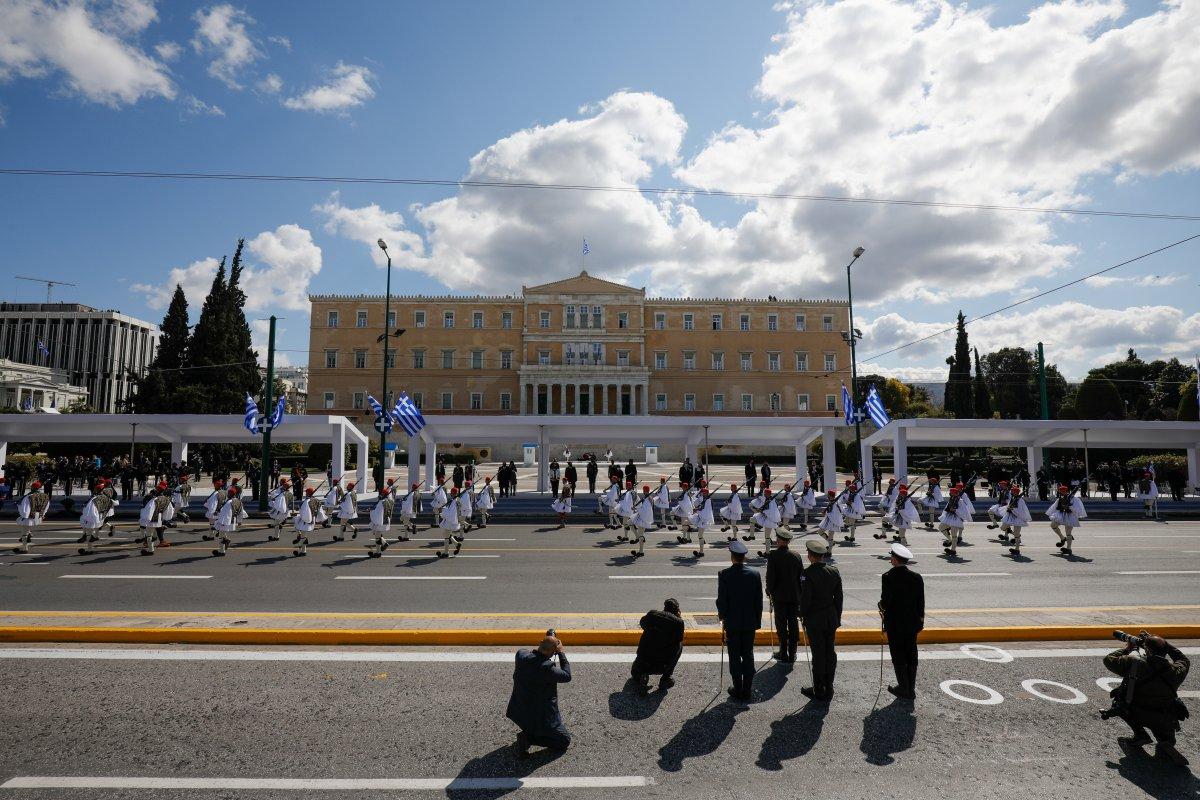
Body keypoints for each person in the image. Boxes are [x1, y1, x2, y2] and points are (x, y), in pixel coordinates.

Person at [1104, 633, 1190, 766]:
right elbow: (1183, 659)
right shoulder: (1175, 671)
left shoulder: (1135, 664)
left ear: (1147, 650)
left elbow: (1109, 659)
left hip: (1137, 711)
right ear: (1165, 651)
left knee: (1119, 699)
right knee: (1166, 732)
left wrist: (1129, 648)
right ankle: (1165, 741)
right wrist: (1166, 645)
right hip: (1164, 717)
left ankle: (1140, 734)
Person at [507, 633, 572, 758]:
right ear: (553, 653)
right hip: (540, 717)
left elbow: (532, 654)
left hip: (519, 711)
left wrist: (548, 642)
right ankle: (528, 738)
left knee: (535, 726)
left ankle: (531, 732)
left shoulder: (520, 655)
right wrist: (561, 653)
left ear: (540, 643)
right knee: (564, 740)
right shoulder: (546, 668)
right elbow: (567, 675)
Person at [716, 539, 763, 702]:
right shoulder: (754, 575)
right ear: (744, 557)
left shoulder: (724, 575)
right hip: (749, 622)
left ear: (732, 557)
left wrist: (722, 616)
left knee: (734, 655)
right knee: (748, 654)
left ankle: (737, 687)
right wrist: (757, 621)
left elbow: (722, 600)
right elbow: (758, 601)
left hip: (732, 622)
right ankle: (747, 689)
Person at [879, 543, 924, 700]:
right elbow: (921, 602)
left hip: (895, 624)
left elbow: (886, 602)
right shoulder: (917, 577)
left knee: (898, 654)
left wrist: (881, 606)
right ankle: (910, 688)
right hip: (912, 623)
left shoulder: (888, 577)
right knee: (911, 653)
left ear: (895, 559)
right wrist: (920, 621)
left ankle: (903, 687)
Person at [799, 538, 843, 701]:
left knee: (818, 654)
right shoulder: (834, 571)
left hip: (815, 619)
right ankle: (829, 685)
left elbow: (806, 599)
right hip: (830, 618)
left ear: (810, 556)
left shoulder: (808, 573)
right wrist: (837, 617)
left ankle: (819, 688)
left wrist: (801, 614)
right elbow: (839, 598)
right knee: (829, 652)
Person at [630, 599, 685, 695]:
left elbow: (642, 624)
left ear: (664, 607)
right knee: (680, 646)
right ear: (677, 610)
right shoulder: (679, 623)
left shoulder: (653, 614)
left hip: (643, 661)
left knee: (635, 675)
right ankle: (665, 679)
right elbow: (678, 639)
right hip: (662, 665)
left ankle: (642, 675)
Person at [765, 529, 804, 664]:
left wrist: (769, 590)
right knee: (793, 623)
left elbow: (770, 578)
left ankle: (783, 652)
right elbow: (801, 578)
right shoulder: (796, 556)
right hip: (794, 597)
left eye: (778, 539)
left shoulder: (773, 556)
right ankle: (792, 653)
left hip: (780, 597)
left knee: (781, 624)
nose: (776, 540)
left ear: (781, 541)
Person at [212, 487, 246, 557]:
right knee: (222, 534)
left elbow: (224, 513)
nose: (228, 494)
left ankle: (222, 551)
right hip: (232, 521)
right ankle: (226, 541)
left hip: (226, 521)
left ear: (231, 494)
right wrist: (239, 521)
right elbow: (241, 512)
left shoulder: (229, 502)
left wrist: (219, 520)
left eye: (229, 493)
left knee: (221, 536)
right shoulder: (238, 501)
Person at [1001, 485, 1032, 556]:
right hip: (1011, 517)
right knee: (1002, 528)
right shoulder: (1013, 498)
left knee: (1017, 535)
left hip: (1018, 518)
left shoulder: (1020, 500)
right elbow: (1009, 506)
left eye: (1012, 491)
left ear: (1015, 492)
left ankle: (1017, 549)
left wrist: (1012, 509)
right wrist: (1008, 508)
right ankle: (1012, 533)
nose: (1011, 492)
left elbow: (1020, 511)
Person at [365, 486, 395, 558]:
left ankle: (378, 553)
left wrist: (371, 511)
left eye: (381, 494)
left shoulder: (381, 502)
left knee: (377, 537)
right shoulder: (390, 501)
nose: (380, 495)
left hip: (380, 521)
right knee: (377, 534)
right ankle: (384, 544)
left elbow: (377, 512)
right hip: (385, 520)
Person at [629, 484, 656, 558]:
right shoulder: (647, 498)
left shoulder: (647, 499)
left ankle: (641, 552)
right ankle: (637, 537)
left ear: (644, 491)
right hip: (642, 517)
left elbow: (645, 511)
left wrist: (636, 509)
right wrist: (637, 508)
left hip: (643, 519)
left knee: (641, 535)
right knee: (630, 522)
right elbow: (642, 508)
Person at [689, 486, 716, 558]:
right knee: (700, 535)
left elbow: (703, 509)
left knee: (700, 536)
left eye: (703, 492)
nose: (701, 493)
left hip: (704, 519)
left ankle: (701, 552)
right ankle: (701, 550)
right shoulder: (706, 500)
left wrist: (696, 510)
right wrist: (697, 509)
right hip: (703, 518)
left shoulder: (707, 500)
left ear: (705, 493)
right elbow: (702, 507)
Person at [436, 487, 462, 558]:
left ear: (453, 493)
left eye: (451, 493)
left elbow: (451, 513)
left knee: (446, 537)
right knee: (447, 534)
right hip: (453, 520)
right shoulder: (457, 500)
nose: (450, 494)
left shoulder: (454, 502)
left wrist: (442, 511)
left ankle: (446, 553)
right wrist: (443, 509)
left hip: (450, 521)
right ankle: (457, 544)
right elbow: (449, 510)